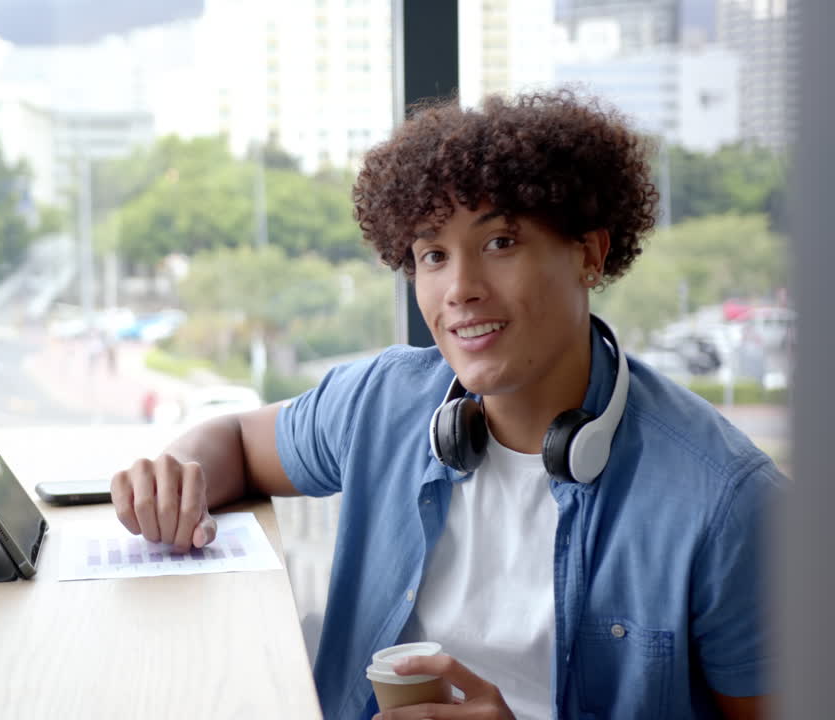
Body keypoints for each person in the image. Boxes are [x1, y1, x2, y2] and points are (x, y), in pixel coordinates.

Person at [109, 90, 778, 720]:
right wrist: (176, 474)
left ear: (590, 254)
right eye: (433, 254)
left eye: (500, 243)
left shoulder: (728, 504)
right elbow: (234, 439)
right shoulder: (385, 401)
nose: (460, 289)